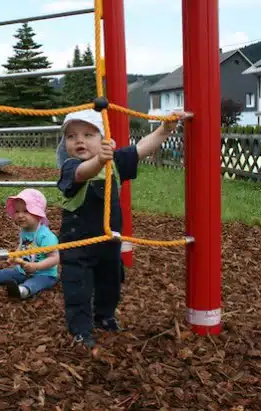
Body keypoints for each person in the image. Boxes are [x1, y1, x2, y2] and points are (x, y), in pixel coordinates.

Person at [56, 109, 191, 349]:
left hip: (109, 243)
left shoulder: (115, 162)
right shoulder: (70, 166)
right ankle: (80, 330)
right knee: (78, 289)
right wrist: (99, 161)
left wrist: (164, 129)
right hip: (77, 246)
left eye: (88, 134)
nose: (79, 140)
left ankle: (104, 317)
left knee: (111, 284)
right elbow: (81, 174)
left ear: (104, 140)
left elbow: (141, 149)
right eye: (71, 136)